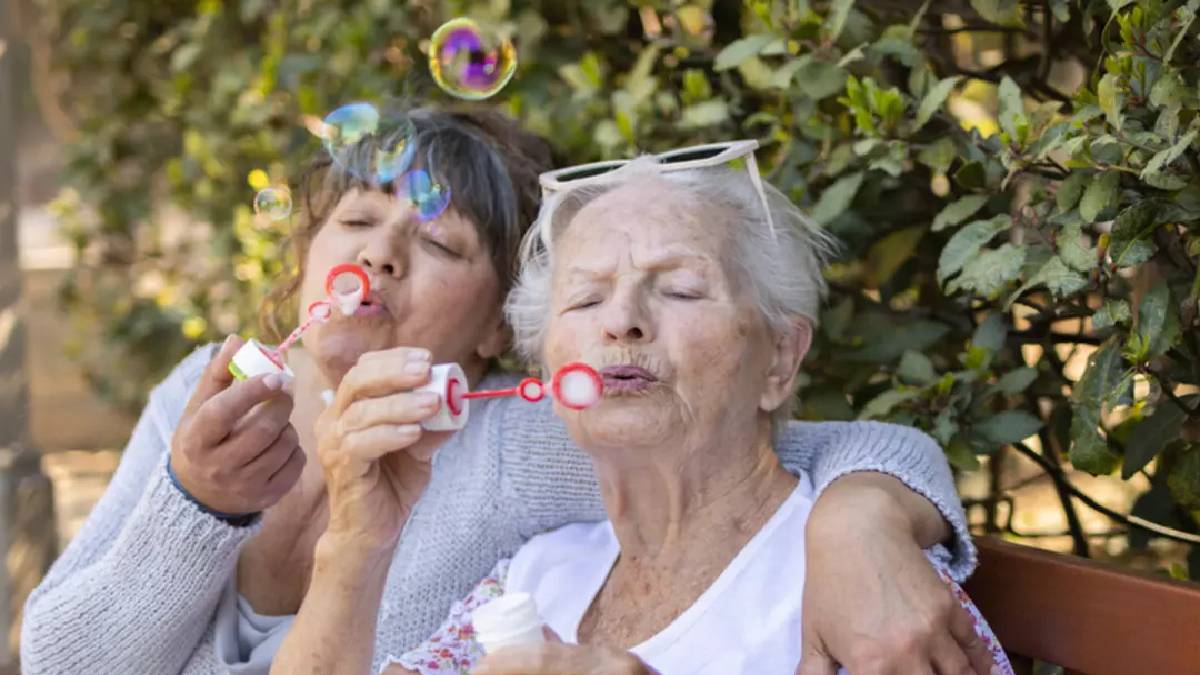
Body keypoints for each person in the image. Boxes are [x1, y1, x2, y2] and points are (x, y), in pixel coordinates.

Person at [22, 112, 987, 675]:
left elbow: (761, 451)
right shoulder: (208, 396)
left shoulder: (516, 433)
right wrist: (198, 506)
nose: (379, 252)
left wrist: (857, 519)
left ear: (497, 332)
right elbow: (62, 661)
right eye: (356, 217)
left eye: (439, 244)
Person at [277, 145, 1011, 675]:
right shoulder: (534, 574)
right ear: (546, 366)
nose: (621, 319)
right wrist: (354, 539)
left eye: (682, 289)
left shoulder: (859, 588)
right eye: (585, 297)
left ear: (780, 360)